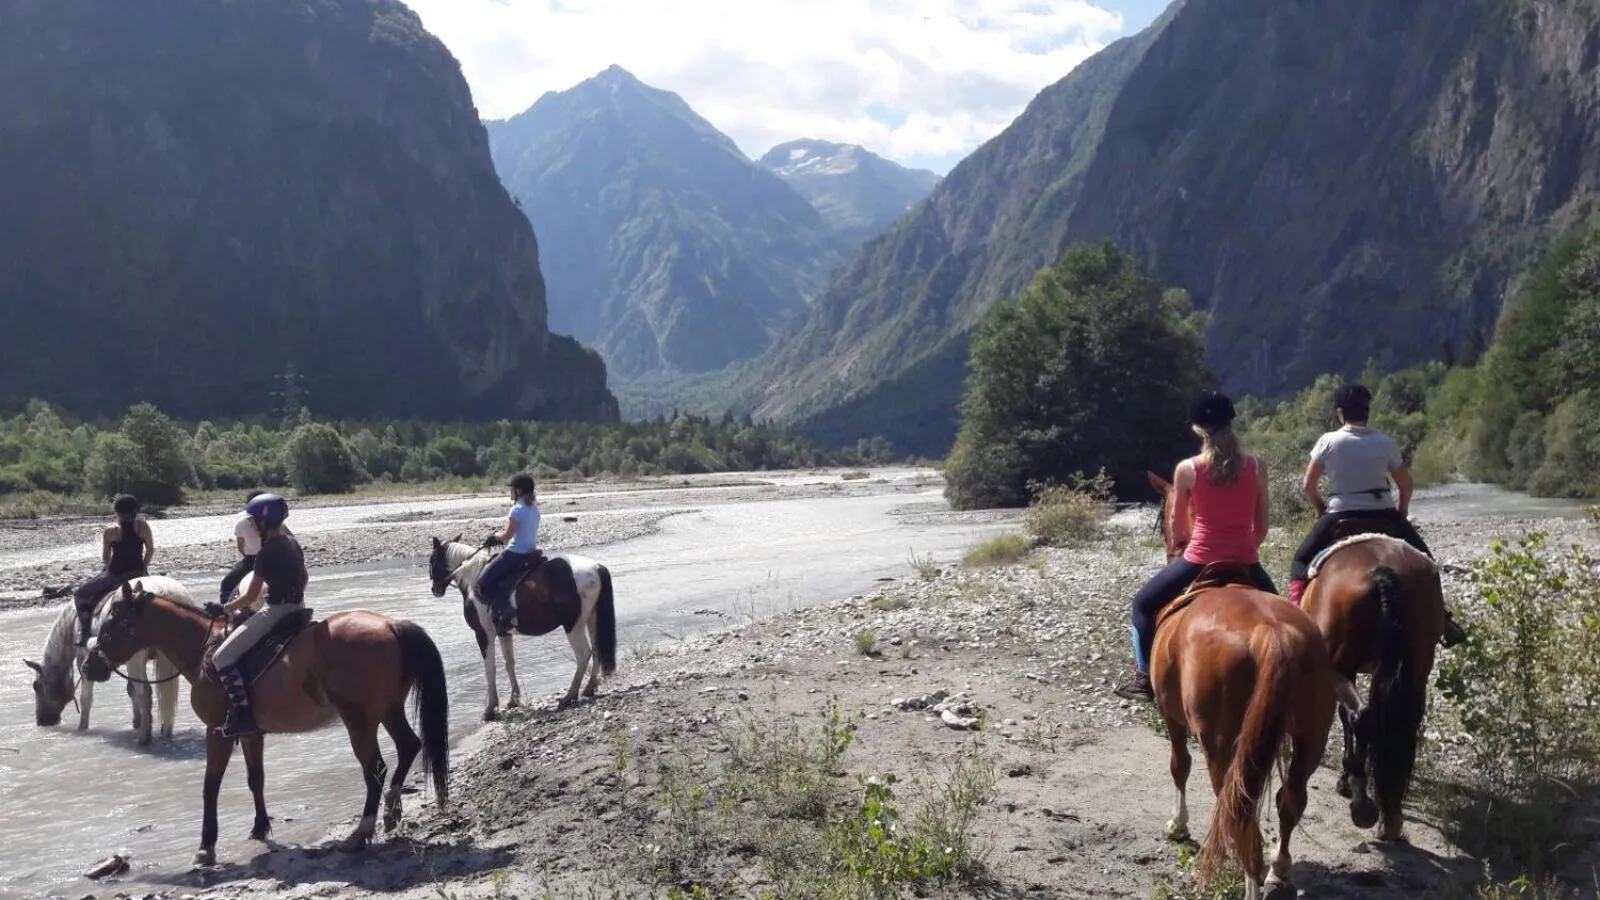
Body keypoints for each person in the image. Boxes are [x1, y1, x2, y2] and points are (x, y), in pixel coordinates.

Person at [1113, 391, 1277, 702]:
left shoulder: (1188, 469)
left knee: (1143, 605)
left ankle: (1144, 678)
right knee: (1286, 621)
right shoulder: (1257, 466)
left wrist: (1191, 550)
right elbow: (1262, 527)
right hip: (1246, 560)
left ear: (1198, 428)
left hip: (1199, 559)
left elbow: (1177, 529)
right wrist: (1242, 548)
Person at [1286, 383, 1467, 646]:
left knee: (1300, 562)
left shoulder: (1327, 441)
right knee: (1427, 562)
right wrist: (1401, 511)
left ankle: (1300, 621)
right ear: (1366, 412)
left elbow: (1308, 486)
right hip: (1383, 514)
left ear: (1340, 413)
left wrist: (1320, 508)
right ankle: (1443, 620)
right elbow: (1405, 485)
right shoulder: (1385, 442)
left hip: (1340, 515)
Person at [211, 492, 308, 739]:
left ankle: (243, 716)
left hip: (274, 612)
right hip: (300, 609)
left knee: (222, 657)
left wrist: (224, 609)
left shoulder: (266, 552)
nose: (252, 524)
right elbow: (305, 578)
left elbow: (249, 596)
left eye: (253, 520)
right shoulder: (292, 542)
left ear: (263, 522)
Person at [73, 494, 155, 647]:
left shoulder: (110, 531)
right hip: (138, 572)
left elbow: (106, 558)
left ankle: (85, 633)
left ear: (116, 512)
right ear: (135, 510)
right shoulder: (143, 527)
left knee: (80, 594)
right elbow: (150, 550)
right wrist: (143, 567)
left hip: (116, 575)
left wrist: (108, 569)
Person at [475, 473, 544, 636]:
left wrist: (494, 537)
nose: (510, 492)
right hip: (531, 553)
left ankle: (506, 609)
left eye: (512, 489)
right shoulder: (534, 509)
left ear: (518, 490)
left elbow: (507, 536)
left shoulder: (516, 509)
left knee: (483, 582)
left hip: (515, 553)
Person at [219, 490, 295, 604]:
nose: (251, 522)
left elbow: (241, 547)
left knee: (227, 584)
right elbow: (291, 538)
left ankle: (225, 614)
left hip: (252, 560)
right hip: (277, 559)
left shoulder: (242, 524)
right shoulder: (278, 524)